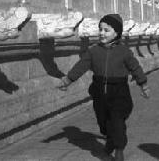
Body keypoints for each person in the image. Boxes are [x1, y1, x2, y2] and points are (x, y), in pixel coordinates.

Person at [58, 13, 150, 161]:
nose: (102, 33)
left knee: (117, 121)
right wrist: (68, 80)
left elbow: (136, 68)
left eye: (106, 30)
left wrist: (143, 85)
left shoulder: (124, 52)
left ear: (117, 33)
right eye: (100, 29)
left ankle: (119, 149)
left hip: (119, 92)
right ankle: (110, 140)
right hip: (99, 91)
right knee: (103, 122)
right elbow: (81, 66)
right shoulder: (94, 51)